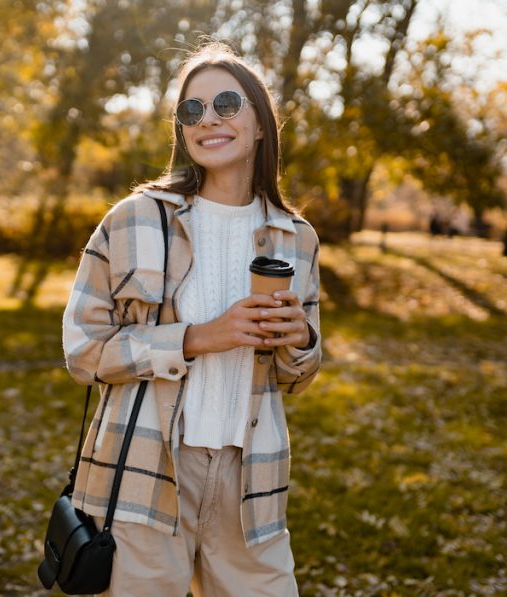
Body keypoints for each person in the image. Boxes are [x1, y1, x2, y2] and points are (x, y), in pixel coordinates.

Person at [61, 42, 321, 596]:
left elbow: (297, 376)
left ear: (259, 125)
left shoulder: (297, 238)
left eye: (226, 103)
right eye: (191, 110)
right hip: (143, 468)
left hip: (252, 480)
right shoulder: (135, 220)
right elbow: (83, 349)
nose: (208, 120)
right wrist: (198, 338)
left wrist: (300, 341)